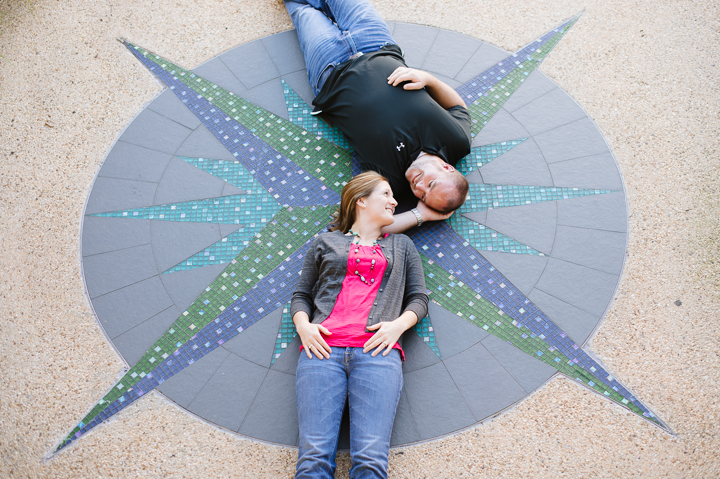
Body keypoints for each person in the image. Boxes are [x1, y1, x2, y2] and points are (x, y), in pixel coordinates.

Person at [284, 0, 472, 233]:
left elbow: (363, 227)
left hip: (329, 67)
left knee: (301, 7)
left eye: (422, 196)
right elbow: (458, 106)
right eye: (430, 184)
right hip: (377, 43)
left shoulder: (389, 182)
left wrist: (421, 214)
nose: (419, 186)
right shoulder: (456, 142)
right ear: (447, 167)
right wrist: (429, 79)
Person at [291, 171, 428, 478]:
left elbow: (419, 298)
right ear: (361, 200)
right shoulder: (324, 242)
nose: (394, 201)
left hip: (378, 355)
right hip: (321, 353)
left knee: (370, 459)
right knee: (313, 457)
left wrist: (396, 328)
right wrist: (304, 326)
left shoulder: (402, 246)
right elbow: (301, 294)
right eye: (387, 194)